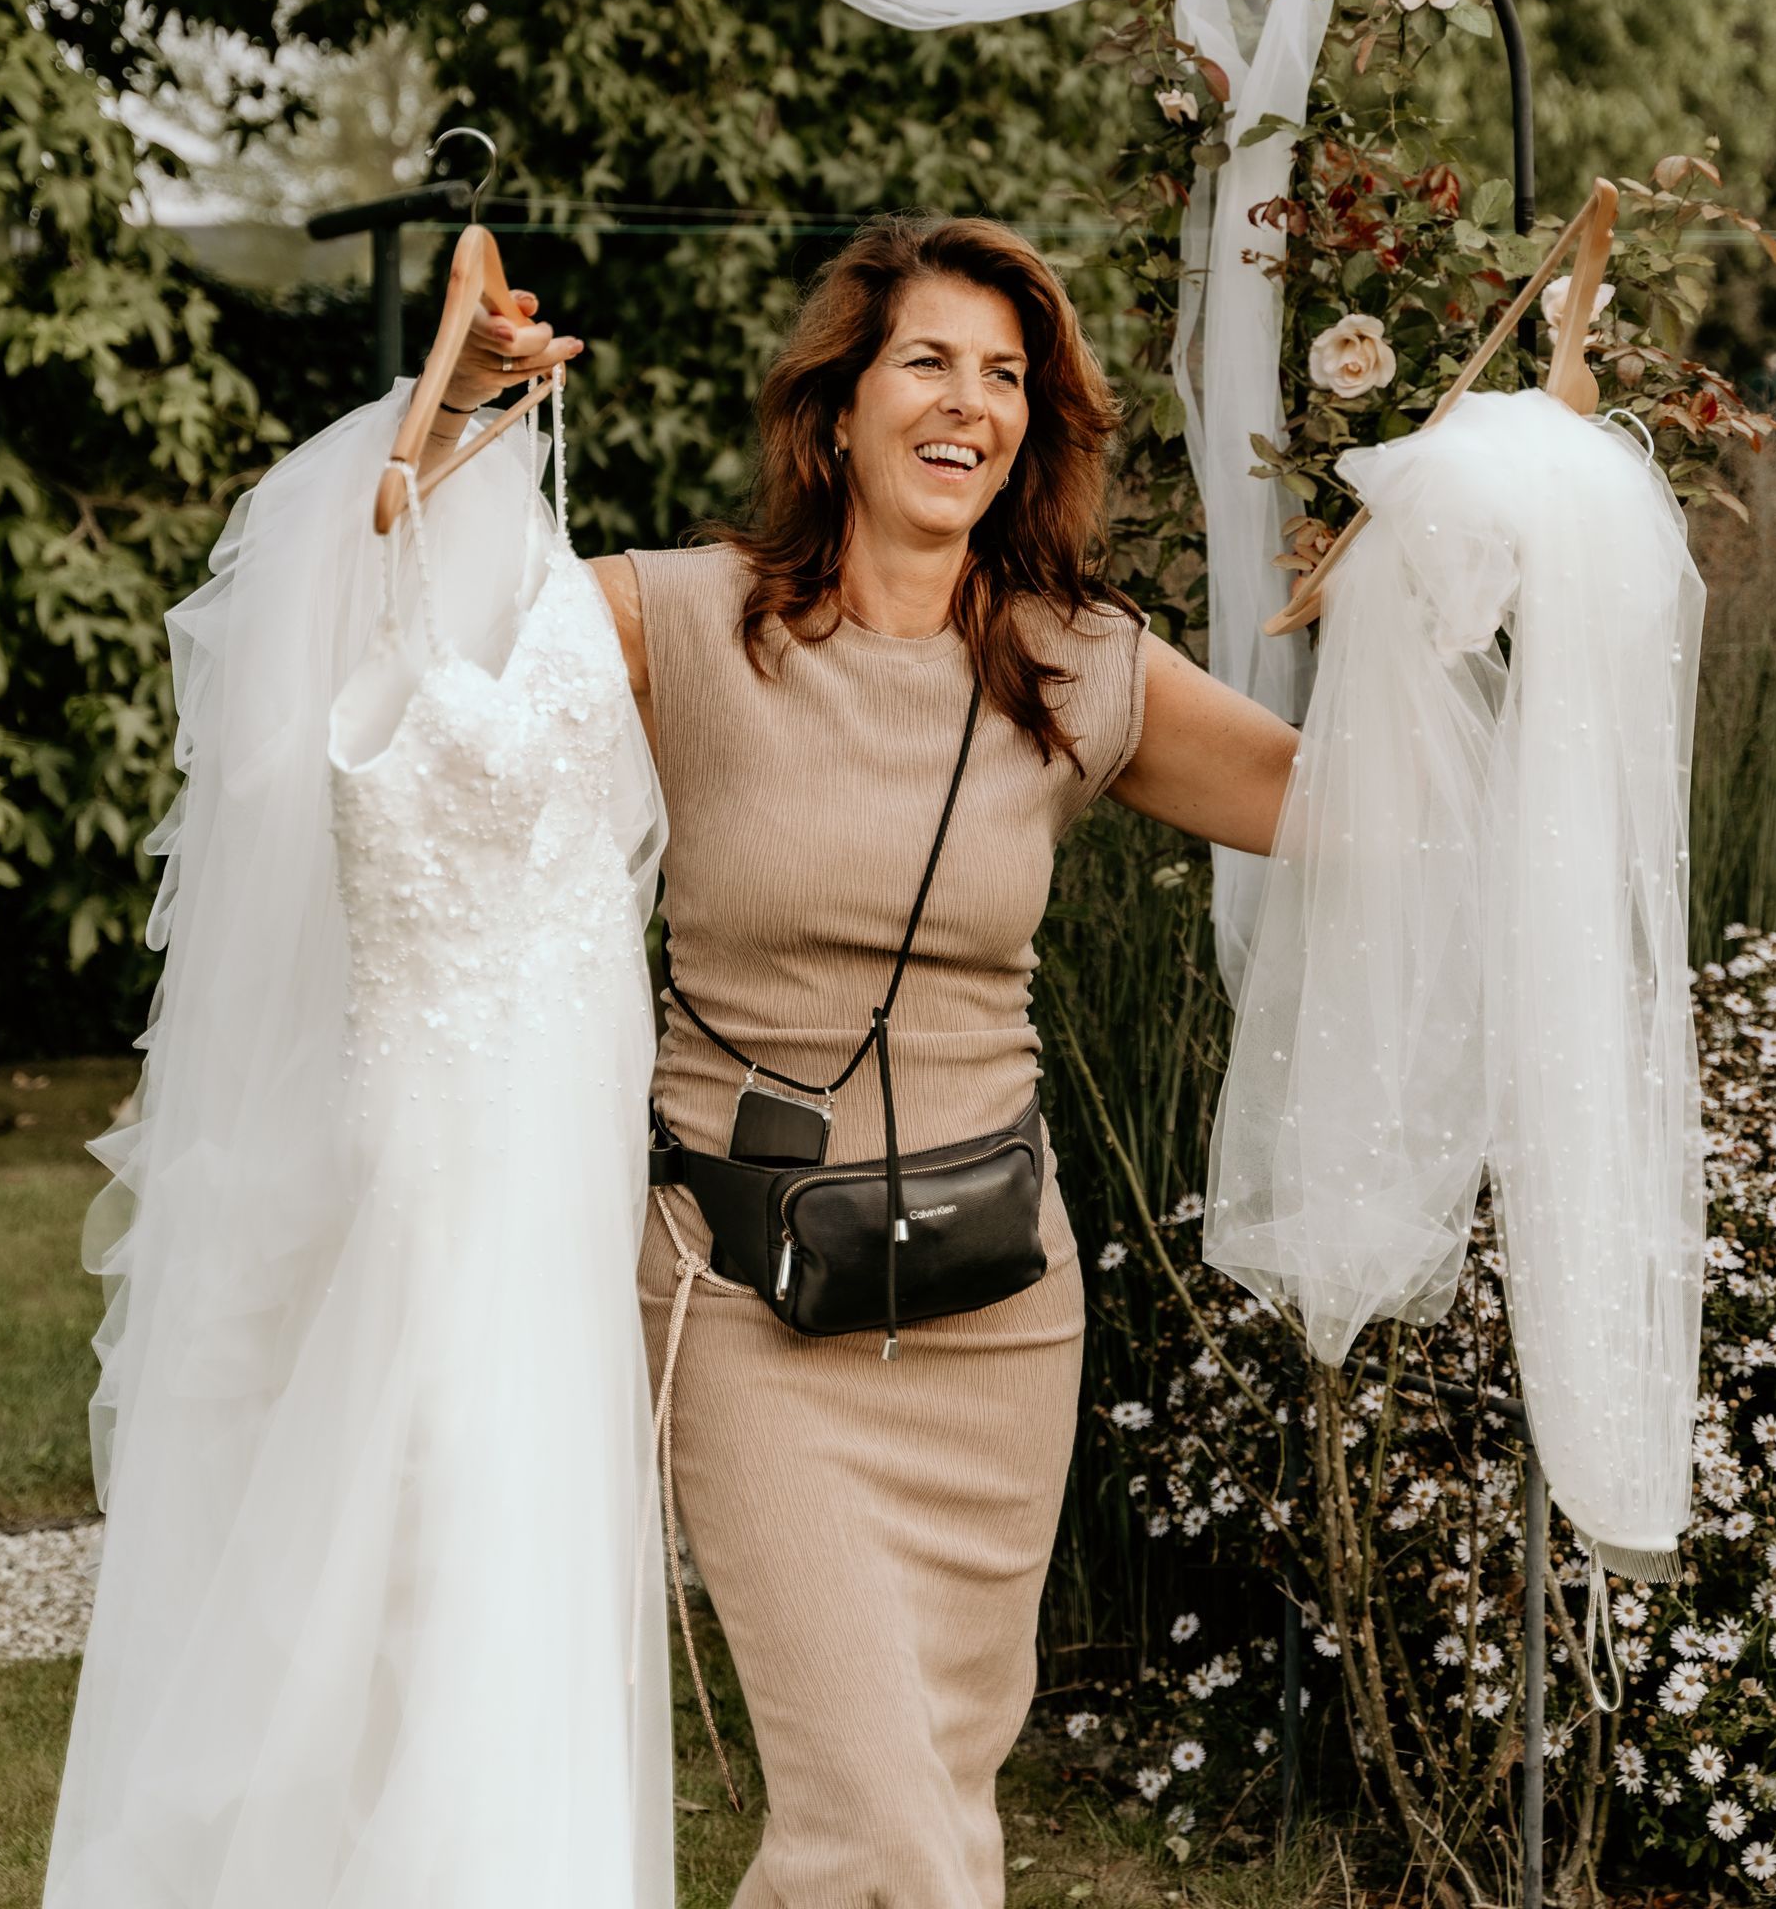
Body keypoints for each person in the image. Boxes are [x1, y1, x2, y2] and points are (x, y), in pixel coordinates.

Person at [428, 212, 1297, 1909]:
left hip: (1000, 1315)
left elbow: (1333, 806)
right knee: (871, 1826)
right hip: (747, 1305)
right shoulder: (676, 621)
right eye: (929, 361)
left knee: (943, 1820)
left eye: (1006, 375)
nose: (970, 400)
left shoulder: (1078, 663)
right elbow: (422, 650)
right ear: (838, 411)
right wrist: (460, 413)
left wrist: (1484, 597)